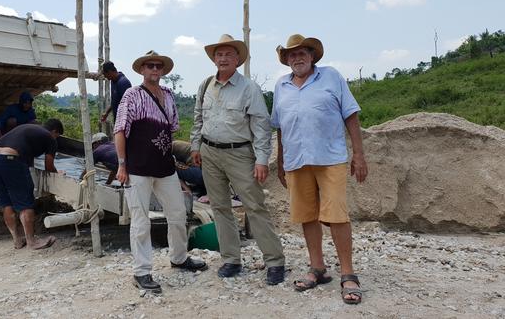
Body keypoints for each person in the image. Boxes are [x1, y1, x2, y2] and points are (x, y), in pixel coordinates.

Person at [271, 34, 368, 304]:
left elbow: (350, 114)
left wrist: (359, 154)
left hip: (331, 158)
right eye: (292, 54)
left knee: (337, 214)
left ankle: (348, 273)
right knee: (307, 216)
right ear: (287, 60)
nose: (298, 58)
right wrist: (280, 161)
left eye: (303, 53)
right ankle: (318, 268)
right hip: (296, 160)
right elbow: (280, 126)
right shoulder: (281, 85)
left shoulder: (331, 77)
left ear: (312, 56)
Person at [190, 34, 286, 285]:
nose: (223, 59)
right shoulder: (205, 85)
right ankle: (231, 259)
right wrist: (195, 146)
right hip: (210, 153)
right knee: (220, 207)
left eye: (228, 55)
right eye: (219, 54)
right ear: (214, 59)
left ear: (238, 60)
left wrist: (262, 159)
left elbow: (261, 126)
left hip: (240, 153)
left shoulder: (248, 88)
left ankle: (275, 261)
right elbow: (198, 118)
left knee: (254, 206)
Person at [115, 50, 208, 294]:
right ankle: (142, 271)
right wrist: (122, 164)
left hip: (165, 167)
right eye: (150, 66)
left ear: (163, 71)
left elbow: (172, 129)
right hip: (137, 168)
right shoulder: (132, 95)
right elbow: (120, 130)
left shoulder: (168, 96)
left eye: (158, 66)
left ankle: (179, 257)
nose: (154, 70)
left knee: (177, 214)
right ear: (142, 70)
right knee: (140, 220)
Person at [0, 119, 65, 250]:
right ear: (54, 132)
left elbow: (28, 160)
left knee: (6, 202)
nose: (56, 139)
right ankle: (31, 241)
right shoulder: (50, 139)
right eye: (57, 136)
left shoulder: (29, 129)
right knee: (25, 201)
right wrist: (58, 173)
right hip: (12, 159)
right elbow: (49, 166)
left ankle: (17, 241)